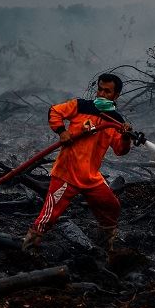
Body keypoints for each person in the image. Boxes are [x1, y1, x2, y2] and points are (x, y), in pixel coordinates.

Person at [22, 73, 133, 255]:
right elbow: (55, 111)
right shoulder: (81, 106)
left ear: (116, 96)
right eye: (100, 89)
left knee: (111, 206)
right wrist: (62, 132)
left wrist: (127, 136)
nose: (102, 94)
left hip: (91, 176)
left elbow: (120, 150)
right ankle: (28, 250)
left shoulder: (116, 121)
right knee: (48, 217)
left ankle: (107, 246)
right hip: (67, 172)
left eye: (107, 91)